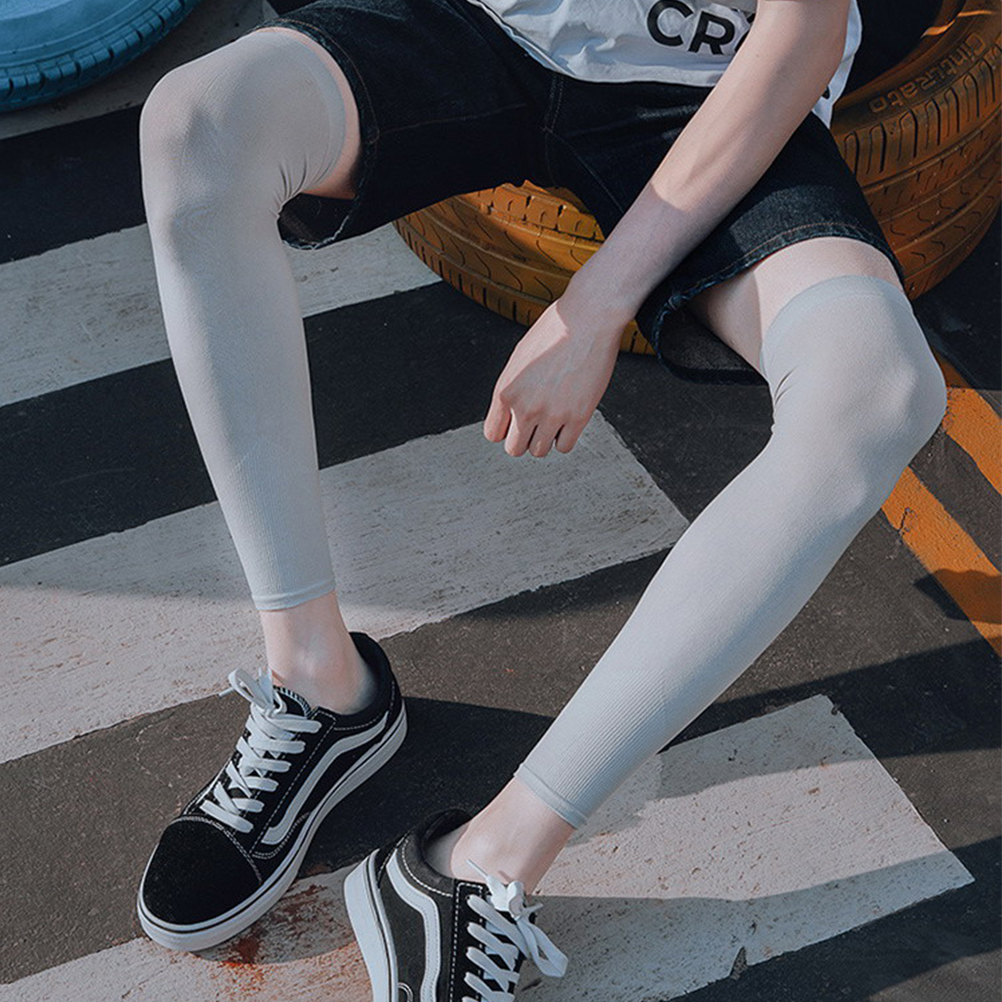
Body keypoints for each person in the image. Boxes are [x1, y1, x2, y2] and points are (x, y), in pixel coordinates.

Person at [133, 0, 949, 998]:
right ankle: (319, 686)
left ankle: (479, 864)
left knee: (876, 389)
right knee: (197, 121)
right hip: (492, 23)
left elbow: (803, 30)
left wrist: (596, 302)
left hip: (707, 77)